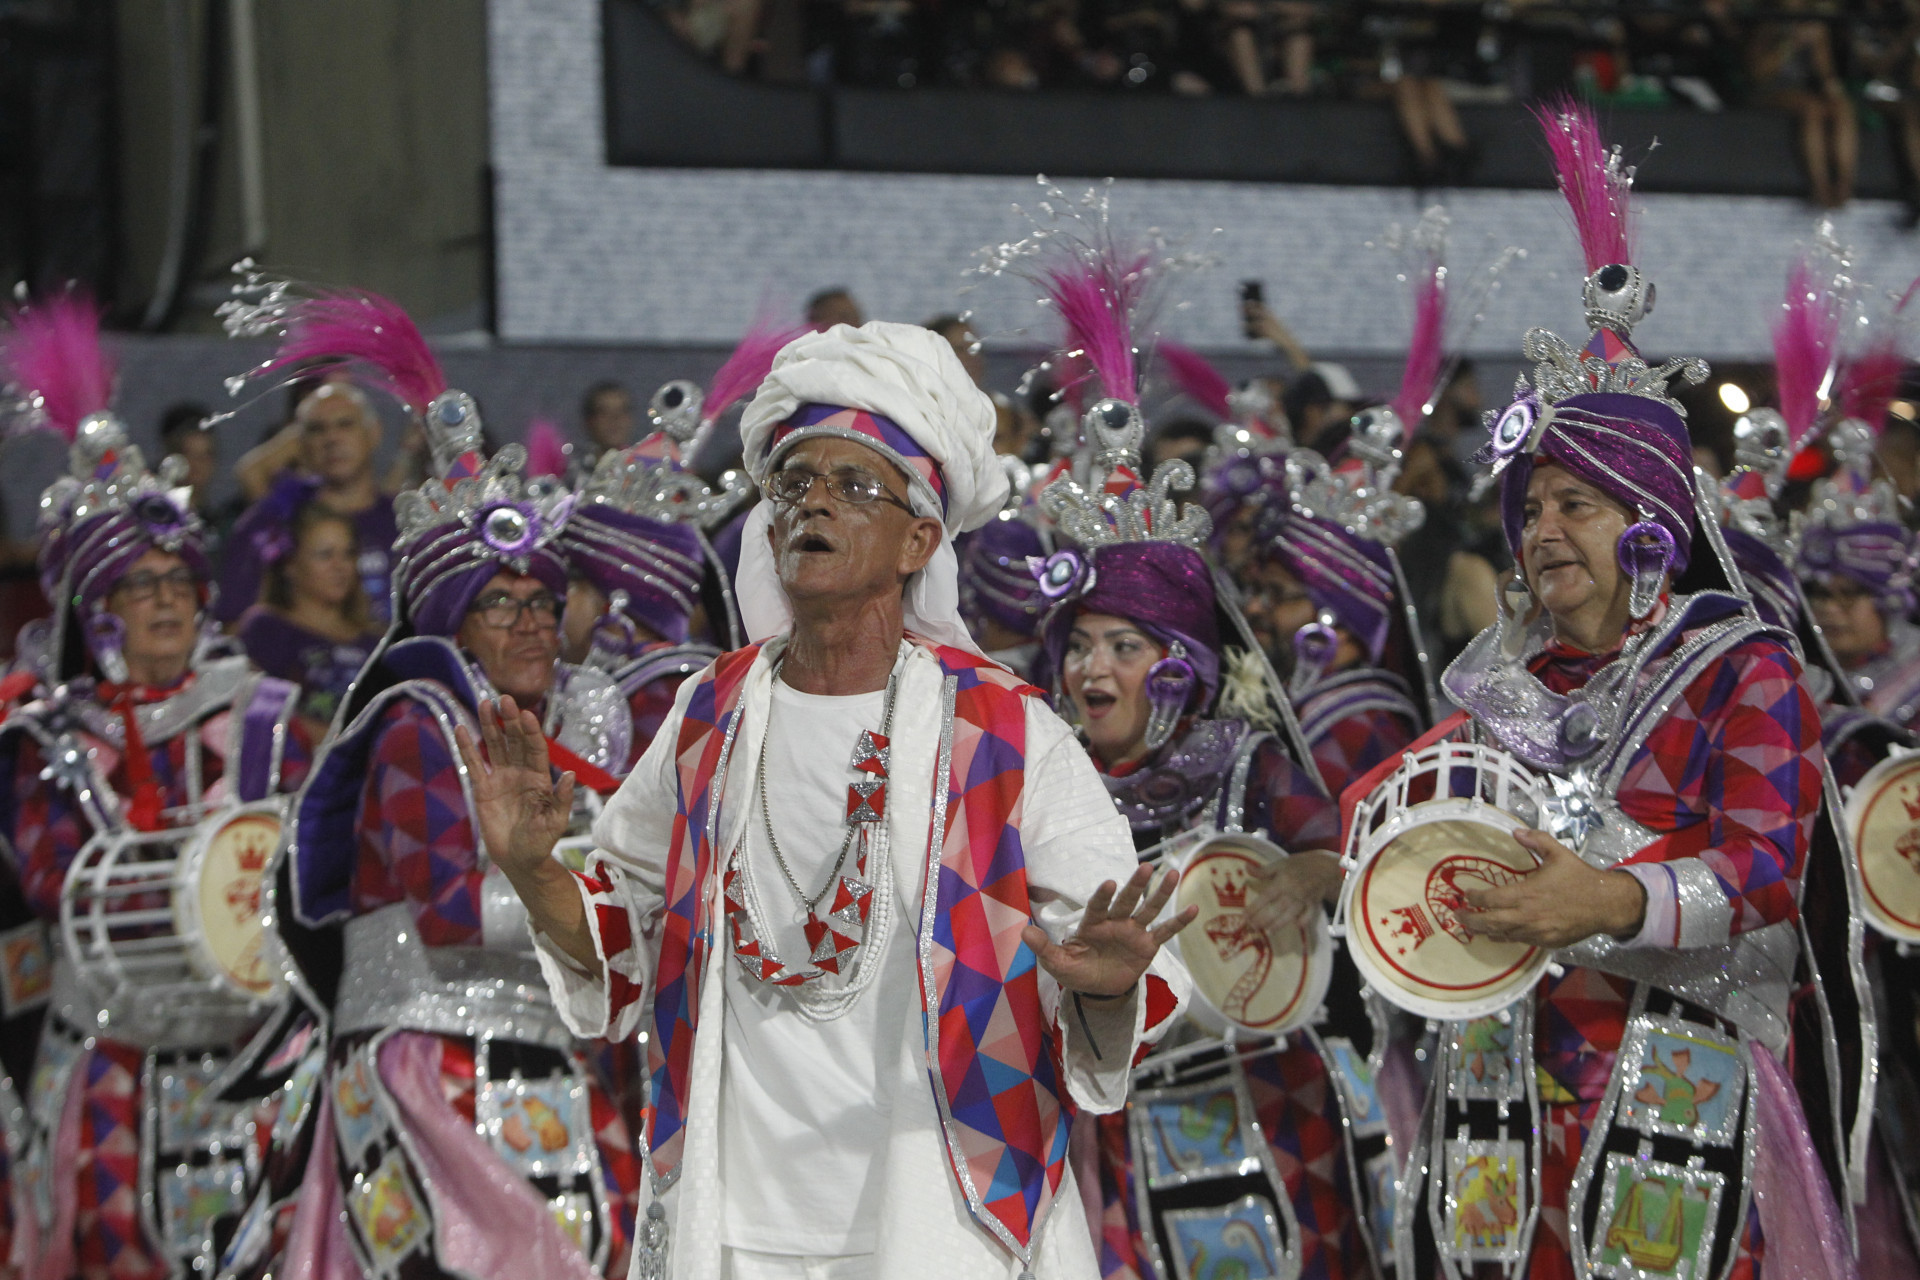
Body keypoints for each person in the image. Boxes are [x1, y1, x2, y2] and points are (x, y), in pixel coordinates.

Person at [466, 320, 1194, 1280]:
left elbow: (1126, 967)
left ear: (919, 540)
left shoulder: (1003, 730)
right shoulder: (709, 713)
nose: (815, 504)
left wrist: (1104, 983)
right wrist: (531, 873)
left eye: (856, 487)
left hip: (947, 1219)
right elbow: (621, 935)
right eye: (794, 484)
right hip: (733, 1227)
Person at [1386, 102, 1854, 1277]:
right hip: (1505, 1093)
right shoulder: (1506, 680)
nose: (1541, 529)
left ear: (1651, 531)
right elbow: (1406, 808)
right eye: (1531, 508)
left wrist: (1602, 900)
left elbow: (1762, 873)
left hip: (1677, 1083)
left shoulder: (1743, 665)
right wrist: (1313, 871)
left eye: (1575, 506)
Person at [256, 287, 644, 1280]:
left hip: (539, 1056)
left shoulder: (587, 719)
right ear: (451, 625)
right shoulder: (417, 725)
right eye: (498, 604)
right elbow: (451, 920)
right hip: (426, 1061)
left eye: (543, 602)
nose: (527, 622)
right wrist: (621, 923)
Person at [1029, 398, 1384, 1277]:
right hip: (1111, 1121)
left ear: (1179, 667)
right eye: (1079, 646)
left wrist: (1310, 874)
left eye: (1121, 646)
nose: (1090, 670)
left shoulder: (1247, 761)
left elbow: (1350, 857)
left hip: (1264, 1099)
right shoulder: (1048, 781)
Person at [0, 295, 311, 1280]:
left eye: (180, 580)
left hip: (252, 1048)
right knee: (112, 1245)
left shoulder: (263, 716)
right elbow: (51, 876)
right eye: (143, 586)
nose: (168, 600)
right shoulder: (51, 738)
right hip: (113, 1048)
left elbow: (301, 855)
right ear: (99, 612)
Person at [217, 378, 400, 627]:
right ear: (298, 444)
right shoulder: (268, 526)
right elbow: (233, 626)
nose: (332, 438)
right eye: (317, 429)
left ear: (374, 433)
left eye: (345, 424)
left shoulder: (406, 519)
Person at [236, 502, 382, 740]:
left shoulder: (375, 641)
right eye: (325, 555)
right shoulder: (266, 628)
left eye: (348, 553)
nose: (340, 567)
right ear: (290, 564)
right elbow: (259, 710)